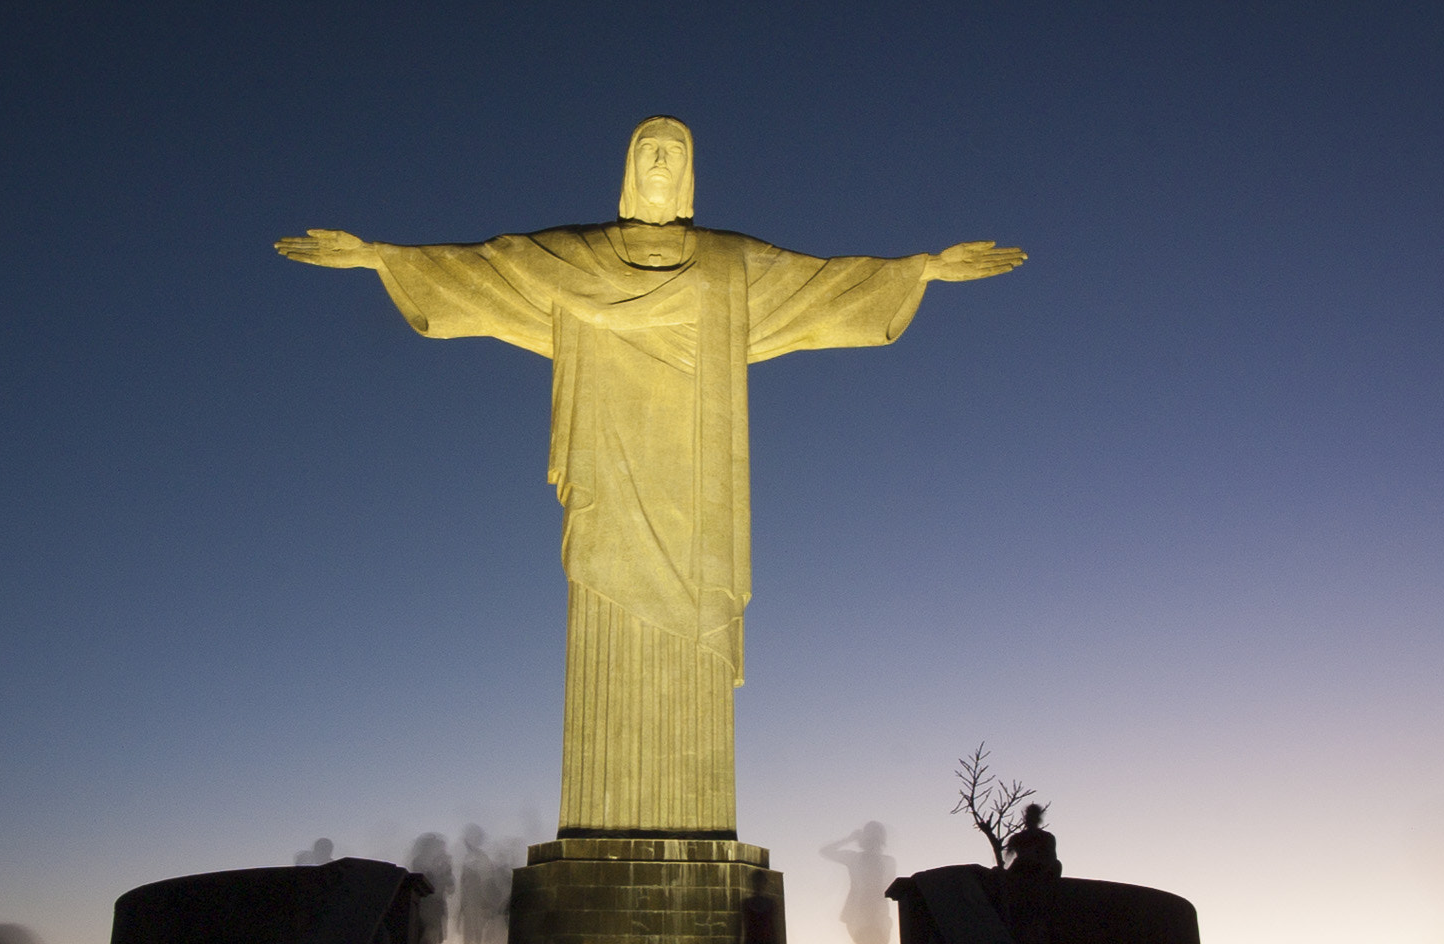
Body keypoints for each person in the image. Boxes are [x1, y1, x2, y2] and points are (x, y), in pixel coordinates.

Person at [277, 119, 1024, 839]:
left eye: (675, 152)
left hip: (696, 486)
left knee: (693, 622)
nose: (662, 162)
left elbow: (820, 286)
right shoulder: (578, 256)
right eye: (650, 151)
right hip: (609, 469)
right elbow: (487, 267)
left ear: (690, 173)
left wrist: (919, 268)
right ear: (631, 170)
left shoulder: (729, 263)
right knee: (603, 609)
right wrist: (381, 256)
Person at [820, 823, 896, 944]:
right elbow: (826, 851)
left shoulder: (888, 861)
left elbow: (887, 887)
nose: (873, 843)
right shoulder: (855, 858)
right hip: (859, 917)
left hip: (880, 917)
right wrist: (848, 839)